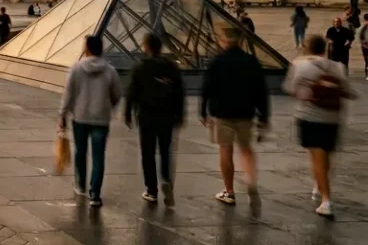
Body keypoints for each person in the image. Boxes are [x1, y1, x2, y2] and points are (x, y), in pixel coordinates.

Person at [283, 35, 356, 217]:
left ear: (307, 48)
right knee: (325, 155)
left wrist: (307, 94)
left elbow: (290, 89)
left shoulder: (299, 64)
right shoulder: (337, 67)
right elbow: (349, 92)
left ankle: (326, 200)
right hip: (333, 118)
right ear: (324, 48)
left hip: (310, 117)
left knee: (317, 157)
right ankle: (319, 184)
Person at [200, 26, 269, 205]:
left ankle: (229, 191)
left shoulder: (217, 62)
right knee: (246, 149)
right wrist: (264, 116)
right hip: (246, 113)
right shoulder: (251, 61)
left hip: (222, 113)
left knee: (225, 150)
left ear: (224, 41)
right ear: (240, 41)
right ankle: (251, 181)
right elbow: (261, 91)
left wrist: (203, 111)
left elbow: (206, 89)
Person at [59, 35, 121, 208]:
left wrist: (62, 115)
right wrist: (108, 106)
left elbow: (68, 94)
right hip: (101, 118)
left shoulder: (76, 69)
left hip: (80, 117)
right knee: (98, 156)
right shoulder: (110, 70)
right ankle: (95, 194)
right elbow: (117, 95)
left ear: (87, 48)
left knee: (80, 152)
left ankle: (80, 184)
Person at [125, 34, 185, 205]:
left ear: (146, 47)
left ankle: (151, 190)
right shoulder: (171, 67)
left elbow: (131, 92)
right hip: (167, 116)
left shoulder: (140, 67)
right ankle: (166, 179)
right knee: (166, 151)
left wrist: (128, 113)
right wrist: (180, 115)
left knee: (148, 153)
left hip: (146, 116)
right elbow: (179, 92)